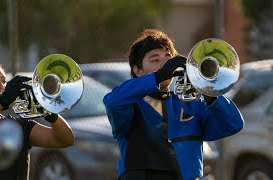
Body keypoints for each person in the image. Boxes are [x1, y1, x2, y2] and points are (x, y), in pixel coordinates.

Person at [103, 29, 244, 180]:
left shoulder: (190, 103)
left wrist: (208, 92)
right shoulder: (130, 103)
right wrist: (159, 75)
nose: (164, 64)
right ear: (137, 71)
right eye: (155, 60)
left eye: (168, 58)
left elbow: (233, 124)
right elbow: (112, 102)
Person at [0, 54, 74, 180]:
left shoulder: (20, 126)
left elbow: (65, 140)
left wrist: (51, 114)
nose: (0, 85)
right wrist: (2, 101)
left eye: (3, 81)